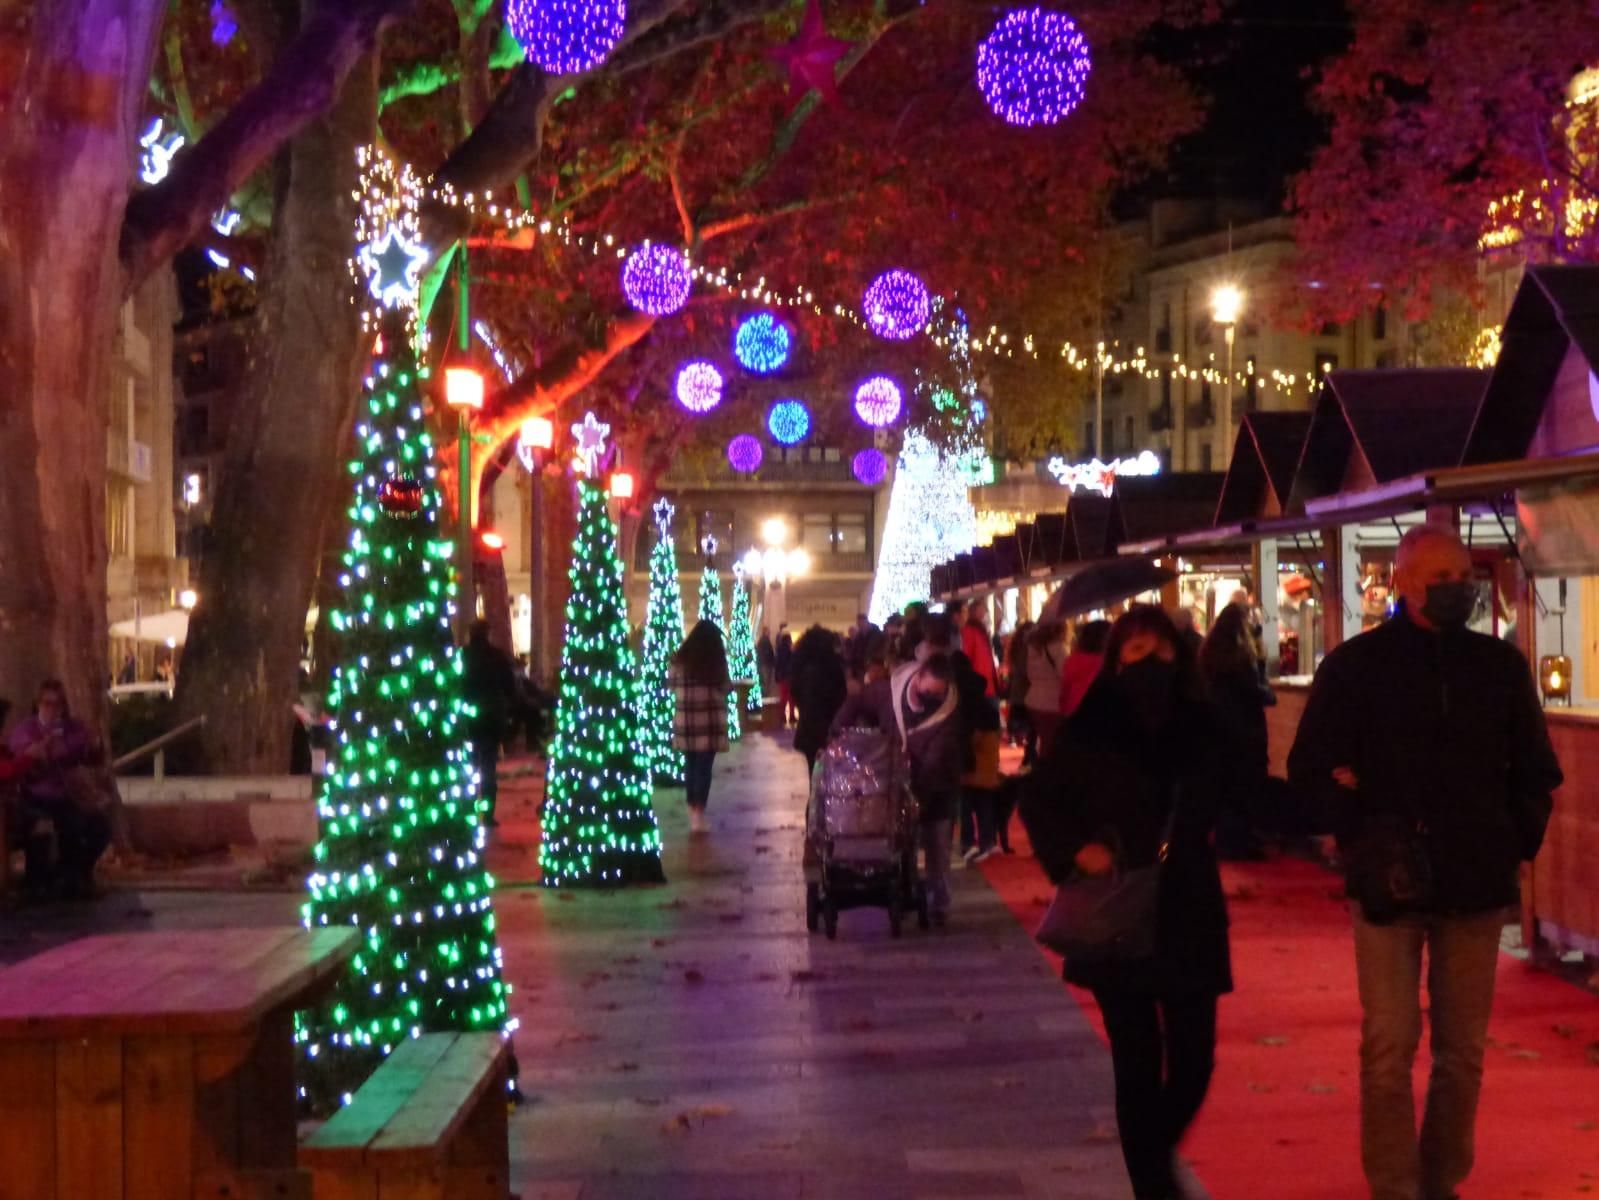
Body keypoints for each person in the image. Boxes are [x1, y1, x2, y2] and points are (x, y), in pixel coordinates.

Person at [1288, 524, 1562, 1200]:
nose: (1455, 589)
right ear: (1404, 583)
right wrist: (1351, 824)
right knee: (1388, 1042)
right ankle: (1393, 1184)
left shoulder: (1497, 667)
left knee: (1460, 1050)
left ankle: (1439, 1180)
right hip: (1387, 877)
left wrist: (1511, 842)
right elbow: (1308, 768)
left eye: (1461, 576)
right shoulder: (1356, 667)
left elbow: (1534, 770)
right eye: (1439, 579)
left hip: (1473, 879)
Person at [1020, 606, 1234, 1200]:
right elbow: (1039, 799)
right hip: (1120, 907)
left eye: (1160, 651)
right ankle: (1152, 1185)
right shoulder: (1093, 728)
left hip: (1187, 905)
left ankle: (1150, 1152)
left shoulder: (1203, 724)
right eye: (1135, 652)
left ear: (1180, 655)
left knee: (1194, 1063)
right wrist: (1074, 851)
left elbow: (1241, 790)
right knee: (1138, 1061)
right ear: (1116, 662)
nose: (1150, 663)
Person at [833, 620, 965, 924]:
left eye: (936, 695)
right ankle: (905, 891)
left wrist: (915, 796)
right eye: (926, 693)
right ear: (918, 679)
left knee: (937, 844)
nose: (929, 701)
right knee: (900, 843)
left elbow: (936, 764)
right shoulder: (888, 692)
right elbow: (857, 701)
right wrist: (838, 731)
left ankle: (939, 904)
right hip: (895, 782)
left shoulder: (948, 719)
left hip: (936, 789)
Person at [8, 680, 109, 898]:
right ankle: (40, 882)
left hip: (67, 795)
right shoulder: (27, 730)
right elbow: (28, 758)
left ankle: (76, 875)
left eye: (58, 705)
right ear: (38, 704)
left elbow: (88, 752)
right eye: (48, 704)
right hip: (36, 797)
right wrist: (48, 748)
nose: (53, 710)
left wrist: (92, 745)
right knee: (44, 825)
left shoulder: (73, 728)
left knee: (96, 825)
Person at [1200, 604, 1273, 860]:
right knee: (1245, 784)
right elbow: (1257, 691)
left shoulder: (1210, 652)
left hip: (1219, 726)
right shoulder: (1242, 657)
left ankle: (1229, 837)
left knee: (1227, 784)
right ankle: (1239, 840)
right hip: (1244, 728)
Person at [668, 621, 732, 834]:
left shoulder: (679, 661)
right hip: (708, 723)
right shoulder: (716, 663)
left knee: (691, 766)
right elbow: (726, 688)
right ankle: (698, 812)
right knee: (704, 768)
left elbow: (669, 684)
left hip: (685, 723)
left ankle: (692, 808)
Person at [461, 620, 517, 826]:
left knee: (469, 766)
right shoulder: (497, 657)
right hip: (492, 717)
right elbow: (510, 687)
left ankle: (468, 810)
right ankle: (488, 814)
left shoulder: (463, 657)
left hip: (468, 718)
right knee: (488, 767)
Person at [790, 625, 849, 776]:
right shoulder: (830, 668)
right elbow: (839, 697)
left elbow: (797, 695)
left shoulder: (801, 668)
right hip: (825, 731)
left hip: (807, 732)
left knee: (813, 773)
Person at [1024, 619, 1068, 752]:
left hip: (1033, 699)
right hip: (1052, 701)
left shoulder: (1033, 648)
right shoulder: (1058, 648)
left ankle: (1042, 766)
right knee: (1053, 743)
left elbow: (1029, 674)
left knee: (1045, 741)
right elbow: (1064, 673)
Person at [1059, 619, 1111, 718]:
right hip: (1102, 712)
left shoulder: (1073, 660)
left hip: (1074, 708)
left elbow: (1065, 689)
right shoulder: (1109, 662)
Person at [1005, 619, 1034, 758]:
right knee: (1024, 716)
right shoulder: (1026, 648)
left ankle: (1014, 736)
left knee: (1017, 713)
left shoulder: (1016, 646)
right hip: (1024, 688)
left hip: (1017, 687)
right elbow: (1024, 669)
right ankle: (1020, 738)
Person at [960, 604, 999, 696]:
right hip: (980, 688)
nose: (987, 616)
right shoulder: (969, 632)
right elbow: (966, 659)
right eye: (984, 612)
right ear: (975, 614)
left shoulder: (982, 632)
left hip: (988, 685)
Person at [774, 624, 795, 725]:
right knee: (791, 697)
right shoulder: (790, 651)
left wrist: (777, 676)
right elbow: (792, 662)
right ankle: (791, 715)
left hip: (782, 676)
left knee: (783, 696)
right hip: (789, 676)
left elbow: (777, 664)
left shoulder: (779, 650)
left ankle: (781, 716)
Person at [756, 627, 776, 695]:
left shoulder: (762, 640)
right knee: (766, 680)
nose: (769, 633)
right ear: (765, 632)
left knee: (765, 680)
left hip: (764, 663)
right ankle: (765, 694)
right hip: (766, 663)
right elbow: (768, 653)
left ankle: (765, 693)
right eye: (768, 631)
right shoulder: (765, 640)